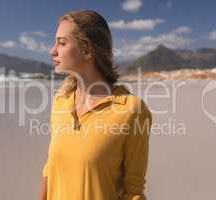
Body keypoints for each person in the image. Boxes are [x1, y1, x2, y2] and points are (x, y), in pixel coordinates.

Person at [39, 9, 153, 200]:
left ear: (86, 49)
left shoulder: (132, 110)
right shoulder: (61, 101)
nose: (53, 50)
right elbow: (50, 168)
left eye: (62, 43)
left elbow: (133, 192)